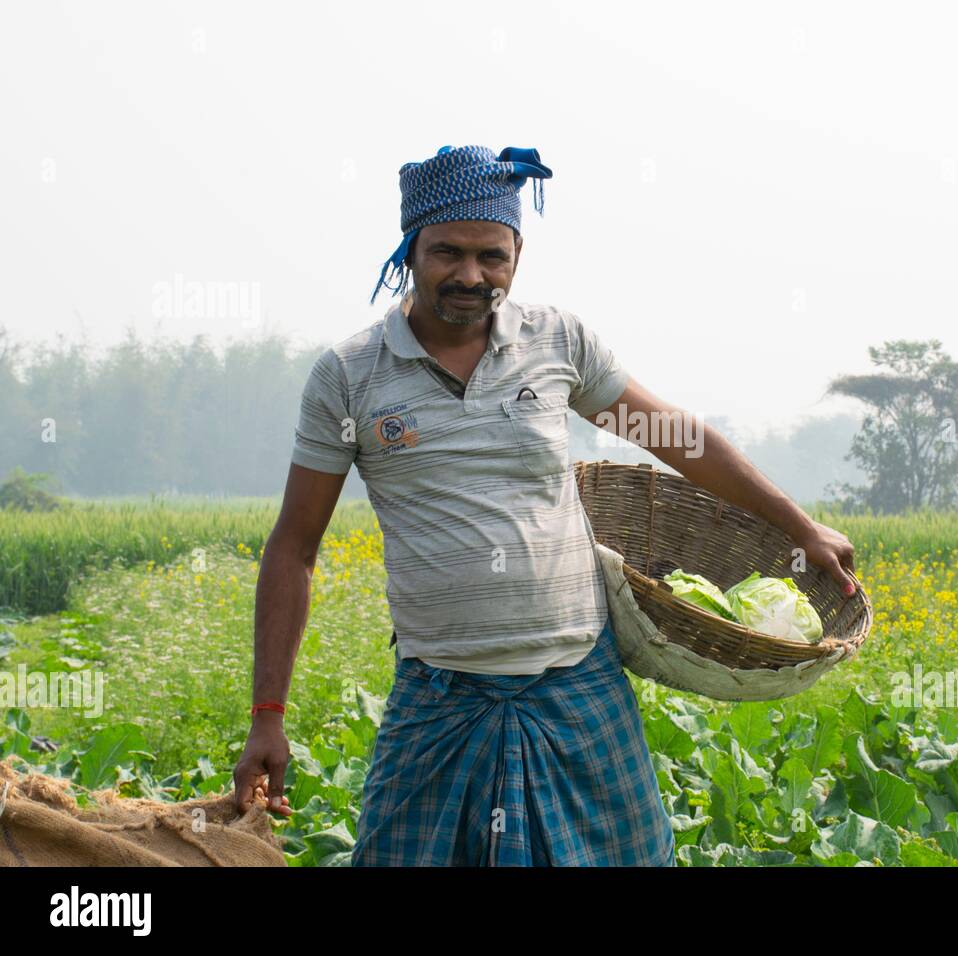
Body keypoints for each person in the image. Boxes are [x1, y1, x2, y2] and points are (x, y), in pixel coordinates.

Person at [231, 144, 859, 866]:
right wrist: (267, 718)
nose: (471, 276)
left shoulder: (558, 341)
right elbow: (294, 548)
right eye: (448, 253)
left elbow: (676, 439)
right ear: (409, 251)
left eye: (492, 257)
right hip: (441, 696)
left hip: (576, 683)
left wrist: (799, 526)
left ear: (518, 254)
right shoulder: (348, 377)